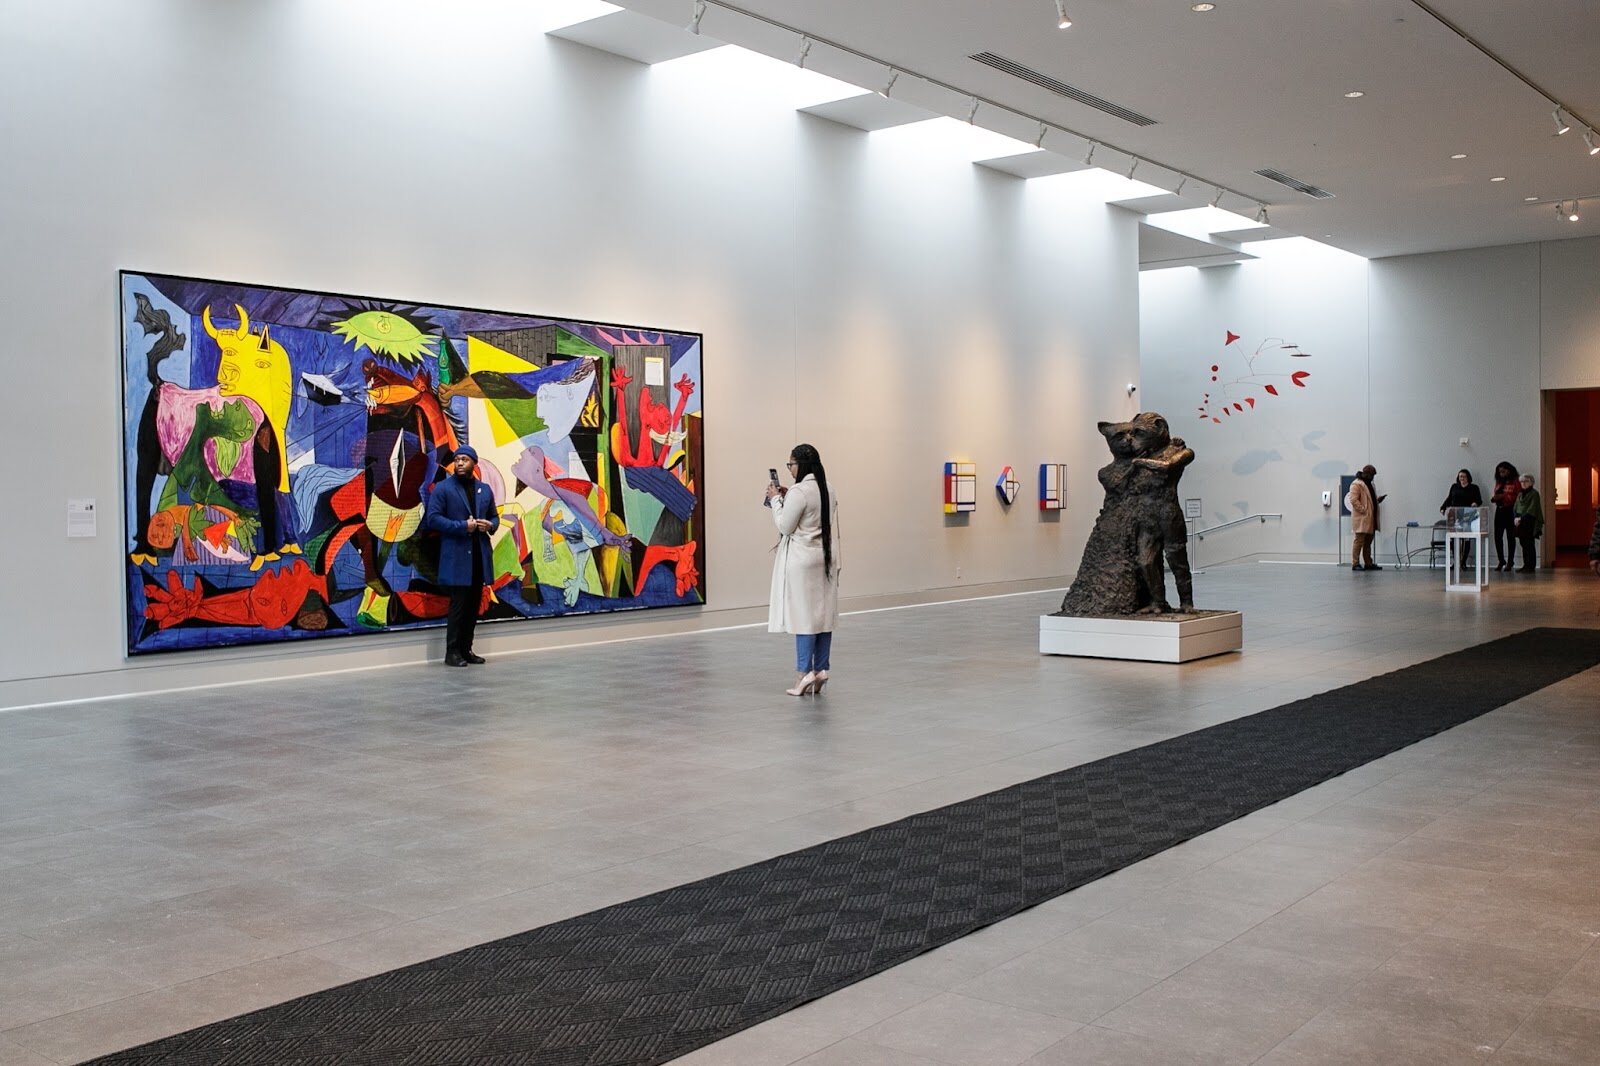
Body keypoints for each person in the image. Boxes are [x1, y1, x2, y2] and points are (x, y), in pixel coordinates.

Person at [766, 443, 841, 696]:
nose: (789, 470)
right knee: (823, 616)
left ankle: (802, 674)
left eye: (791, 464)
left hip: (802, 561)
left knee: (804, 618)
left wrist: (776, 500)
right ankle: (821, 669)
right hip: (825, 559)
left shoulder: (799, 491)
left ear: (801, 464)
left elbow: (785, 526)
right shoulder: (827, 488)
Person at [423, 445, 500, 666]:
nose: (459, 463)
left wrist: (490, 525)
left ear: (473, 463)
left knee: (473, 606)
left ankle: (467, 650)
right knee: (458, 606)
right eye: (457, 459)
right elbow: (433, 519)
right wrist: (462, 526)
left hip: (479, 557)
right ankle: (452, 652)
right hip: (457, 558)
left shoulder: (484, 490)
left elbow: (494, 517)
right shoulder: (443, 489)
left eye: (464, 459)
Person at [1439, 468, 1483, 566]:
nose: (1461, 478)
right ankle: (1456, 561)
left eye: (1463, 476)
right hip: (1455, 515)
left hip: (1467, 515)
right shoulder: (1455, 487)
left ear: (1468, 477)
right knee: (1454, 538)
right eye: (1460, 477)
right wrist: (1443, 507)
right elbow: (1449, 498)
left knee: (1466, 538)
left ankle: (1463, 561)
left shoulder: (1474, 488)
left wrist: (1475, 503)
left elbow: (1479, 500)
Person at [1347, 464, 1384, 571]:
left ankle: (1368, 563)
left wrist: (1377, 500)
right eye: (1372, 475)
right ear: (1366, 474)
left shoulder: (1369, 484)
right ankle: (1355, 563)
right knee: (1359, 541)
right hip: (1362, 518)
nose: (1373, 477)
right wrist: (1364, 510)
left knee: (1368, 542)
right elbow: (1353, 500)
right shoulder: (1356, 484)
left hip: (1370, 519)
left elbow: (1369, 500)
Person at [1489, 460, 1521, 571]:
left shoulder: (1515, 482)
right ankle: (1501, 560)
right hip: (1500, 510)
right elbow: (1496, 493)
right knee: (1498, 536)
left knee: (1510, 537)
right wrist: (1495, 498)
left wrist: (1503, 497)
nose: (1501, 474)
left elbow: (1518, 497)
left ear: (1509, 471)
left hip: (1510, 510)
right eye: (1499, 472)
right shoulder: (1499, 482)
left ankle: (1510, 561)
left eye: (1503, 471)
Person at [1512, 473, 1543, 572]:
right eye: (1521, 482)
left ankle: (1531, 566)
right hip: (1520, 522)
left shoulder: (1534, 494)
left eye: (1525, 481)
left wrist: (1521, 518)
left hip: (1529, 522)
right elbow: (1516, 507)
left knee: (1529, 544)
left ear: (1531, 482)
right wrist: (1516, 517)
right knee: (1523, 544)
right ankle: (1526, 564)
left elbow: (1532, 509)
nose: (1523, 484)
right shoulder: (1520, 494)